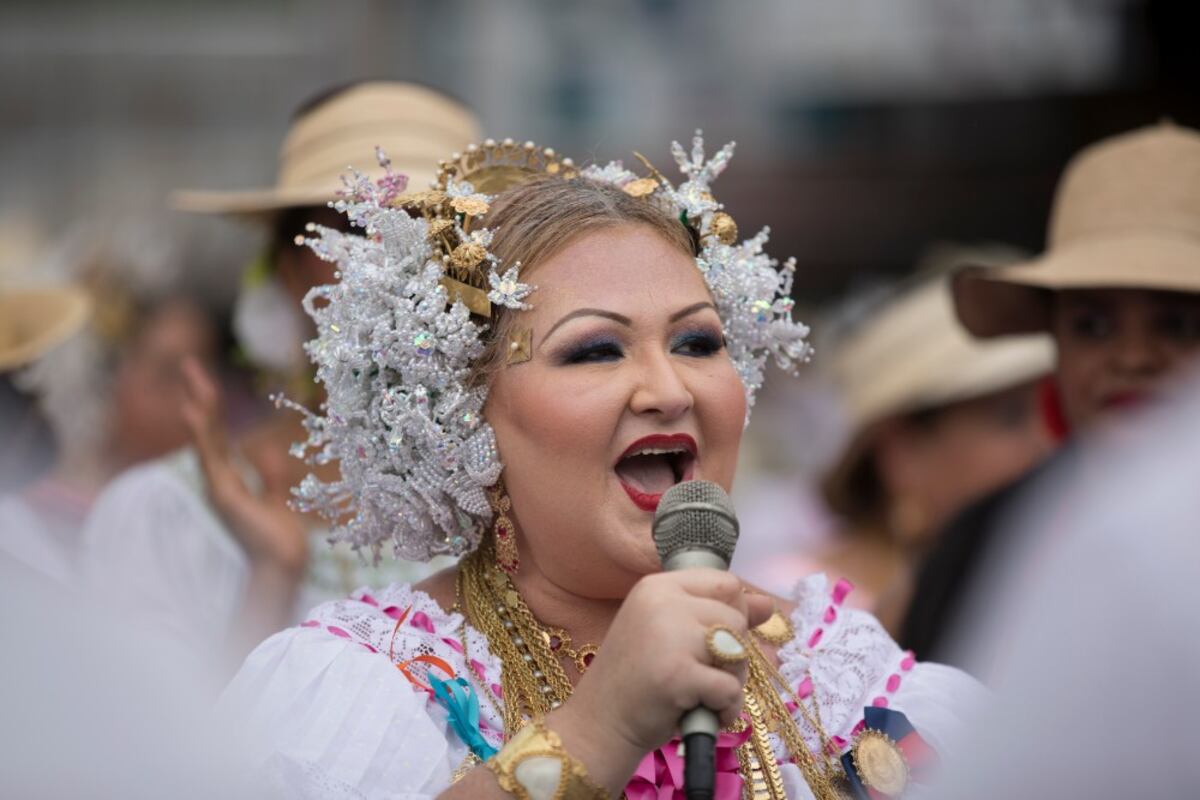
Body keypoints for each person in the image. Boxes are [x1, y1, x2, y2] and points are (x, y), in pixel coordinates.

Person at [221, 134, 982, 799]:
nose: (669, 391)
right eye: (595, 351)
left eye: (697, 342)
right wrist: (596, 731)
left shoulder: (841, 676)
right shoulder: (379, 688)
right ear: (463, 419)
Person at [80, 81, 484, 667]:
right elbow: (141, 724)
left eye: (432, 228)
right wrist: (271, 576)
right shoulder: (168, 514)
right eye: (352, 229)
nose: (394, 259)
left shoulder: (527, 505)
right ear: (290, 268)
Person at [901, 121, 1200, 663]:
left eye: (1177, 326)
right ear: (1056, 342)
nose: (1134, 357)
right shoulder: (986, 545)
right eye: (1093, 326)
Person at [811, 254, 1054, 634]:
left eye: (1055, 409)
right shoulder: (793, 614)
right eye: (1010, 417)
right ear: (902, 450)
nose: (1048, 441)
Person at [0, 247, 218, 584]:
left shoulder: (209, 515)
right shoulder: (27, 516)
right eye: (167, 377)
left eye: (207, 370)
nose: (197, 399)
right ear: (109, 380)